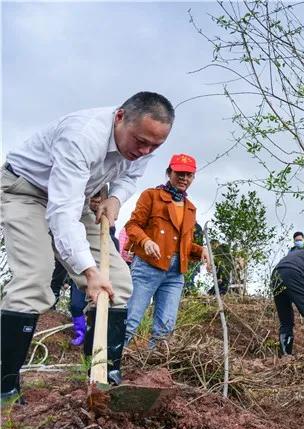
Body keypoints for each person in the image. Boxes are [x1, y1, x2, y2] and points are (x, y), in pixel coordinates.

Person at [1, 92, 174, 401]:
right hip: (26, 191)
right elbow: (61, 214)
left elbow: (129, 176)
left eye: (154, 146)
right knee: (35, 277)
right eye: (140, 141)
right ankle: (5, 388)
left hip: (80, 198)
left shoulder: (143, 143)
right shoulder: (82, 136)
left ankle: (103, 380)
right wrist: (89, 271)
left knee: (118, 284)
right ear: (120, 117)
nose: (145, 150)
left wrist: (115, 198)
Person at [124, 153, 209, 350]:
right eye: (179, 173)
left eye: (188, 175)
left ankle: (152, 372)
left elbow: (183, 245)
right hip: (148, 267)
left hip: (175, 274)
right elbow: (133, 225)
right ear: (169, 173)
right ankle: (109, 365)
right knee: (131, 320)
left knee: (165, 328)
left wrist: (201, 250)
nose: (184, 178)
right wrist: (145, 241)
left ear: (193, 178)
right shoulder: (151, 196)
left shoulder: (190, 208)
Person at [50, 191, 121, 346]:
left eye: (98, 199)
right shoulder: (76, 224)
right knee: (76, 305)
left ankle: (93, 341)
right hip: (83, 273)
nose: (95, 203)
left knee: (94, 306)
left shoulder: (111, 237)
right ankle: (80, 333)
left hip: (102, 280)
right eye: (92, 199)